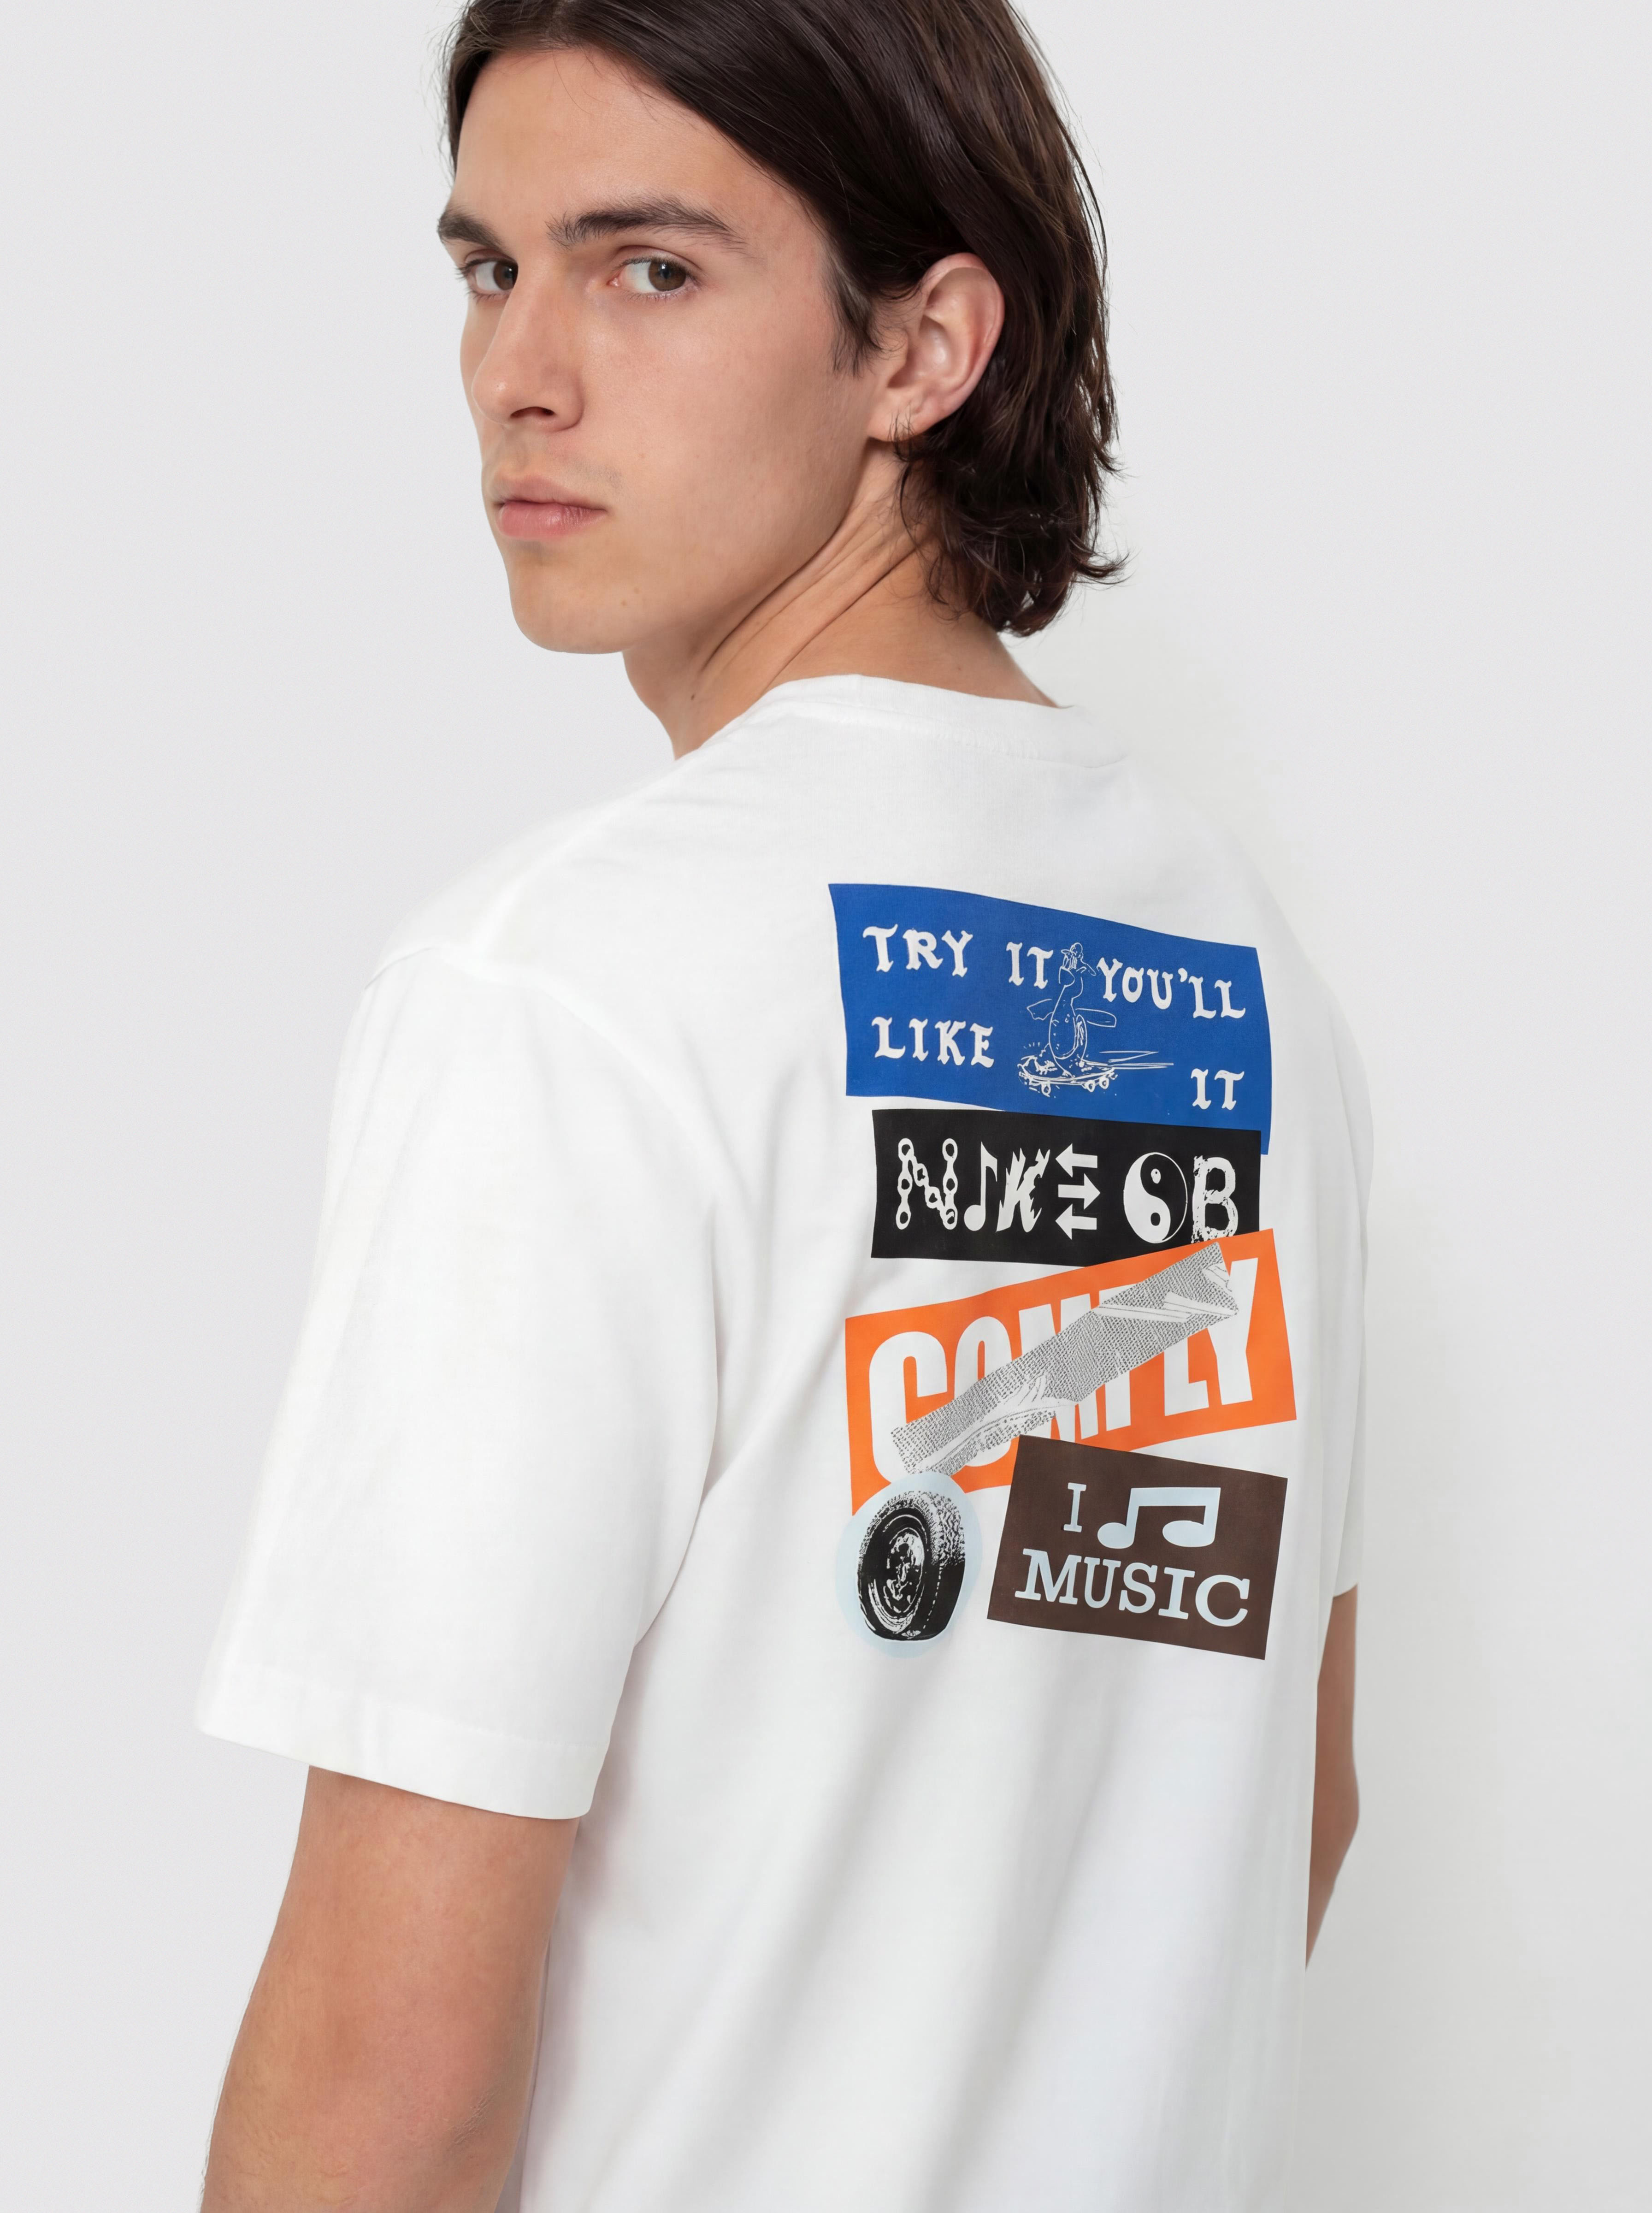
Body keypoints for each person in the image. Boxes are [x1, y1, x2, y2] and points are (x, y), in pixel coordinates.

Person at [197, 1, 1365, 2206]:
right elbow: (1274, 1804)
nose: (517, 371)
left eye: (649, 268)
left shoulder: (563, 991)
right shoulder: (1237, 975)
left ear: (919, 348)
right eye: (488, 267)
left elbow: (389, 2071)